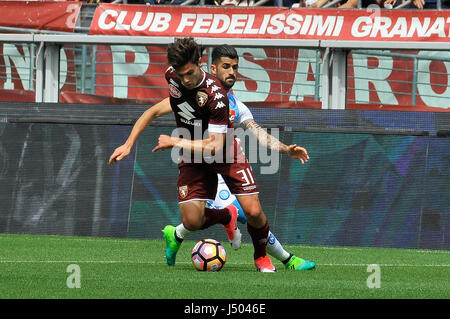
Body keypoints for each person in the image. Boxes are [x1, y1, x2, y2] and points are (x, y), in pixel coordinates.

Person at [109, 38, 279, 272]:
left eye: (189, 73)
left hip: (224, 152)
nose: (185, 80)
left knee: (253, 211)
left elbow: (214, 146)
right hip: (193, 156)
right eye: (181, 75)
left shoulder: (216, 95)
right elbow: (152, 111)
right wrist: (128, 144)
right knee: (191, 221)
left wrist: (175, 141)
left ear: (200, 63)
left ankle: (261, 258)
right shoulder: (173, 77)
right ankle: (225, 215)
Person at [206, 44, 316, 271]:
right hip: (200, 166)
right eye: (226, 67)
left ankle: (268, 257)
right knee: (197, 218)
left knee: (253, 213)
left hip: (228, 164)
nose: (232, 72)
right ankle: (286, 258)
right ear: (213, 69)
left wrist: (286, 149)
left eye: (235, 68)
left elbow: (258, 132)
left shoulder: (236, 105)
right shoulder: (198, 95)